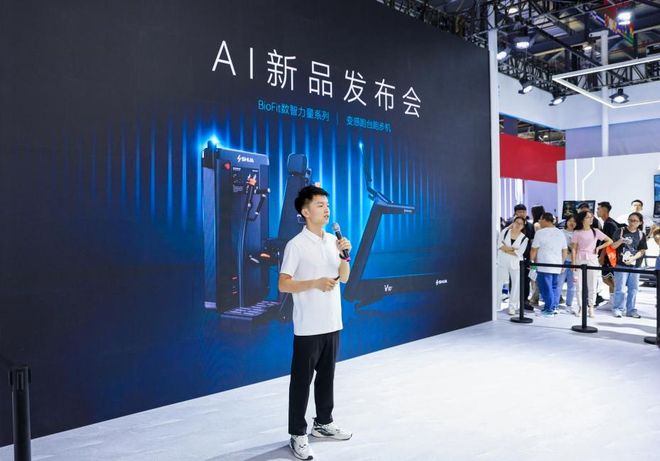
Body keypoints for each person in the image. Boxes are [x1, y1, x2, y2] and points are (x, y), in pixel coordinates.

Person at [279, 185, 353, 460]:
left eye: (327, 205)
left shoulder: (332, 241)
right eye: (320, 205)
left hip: (332, 321)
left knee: (327, 378)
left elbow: (344, 277)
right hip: (308, 326)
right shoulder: (296, 245)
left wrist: (344, 255)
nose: (326, 209)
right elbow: (283, 284)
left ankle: (323, 423)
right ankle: (297, 434)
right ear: (305, 211)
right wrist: (314, 283)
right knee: (301, 382)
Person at [571, 211, 613, 318]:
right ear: (582, 219)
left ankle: (591, 307)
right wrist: (573, 263)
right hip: (579, 259)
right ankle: (581, 307)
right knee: (579, 285)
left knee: (592, 285)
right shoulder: (577, 232)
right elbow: (574, 248)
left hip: (592, 259)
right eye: (588, 217)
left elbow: (609, 241)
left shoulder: (595, 231)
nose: (591, 219)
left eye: (591, 217)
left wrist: (599, 247)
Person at [610, 212, 647, 319]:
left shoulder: (641, 234)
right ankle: (618, 309)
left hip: (635, 265)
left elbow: (642, 250)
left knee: (633, 289)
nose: (632, 222)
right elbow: (612, 246)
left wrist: (633, 258)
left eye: (635, 221)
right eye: (630, 220)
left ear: (640, 222)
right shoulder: (620, 231)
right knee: (620, 289)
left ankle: (631, 310)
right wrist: (620, 241)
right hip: (621, 265)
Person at [530, 213, 568, 316]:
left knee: (546, 288)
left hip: (544, 265)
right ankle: (553, 307)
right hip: (557, 264)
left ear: (545, 220)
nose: (539, 221)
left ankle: (549, 309)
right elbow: (564, 250)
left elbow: (534, 249)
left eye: (540, 219)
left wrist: (531, 261)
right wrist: (562, 263)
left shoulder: (540, 233)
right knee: (554, 287)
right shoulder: (560, 233)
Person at [497, 216, 529, 315]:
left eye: (520, 223)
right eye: (516, 222)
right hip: (502, 261)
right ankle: (496, 305)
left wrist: (506, 249)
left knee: (515, 285)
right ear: (513, 223)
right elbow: (499, 245)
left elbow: (519, 253)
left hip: (515, 264)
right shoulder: (505, 232)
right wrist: (512, 249)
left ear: (523, 226)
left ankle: (512, 307)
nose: (518, 225)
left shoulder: (524, 238)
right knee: (498, 283)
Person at [509, 204, 536, 310]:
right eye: (520, 212)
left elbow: (532, 241)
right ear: (515, 213)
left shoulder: (530, 226)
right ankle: (513, 302)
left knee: (526, 280)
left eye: (524, 211)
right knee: (514, 279)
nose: (522, 214)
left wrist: (532, 257)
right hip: (513, 256)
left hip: (526, 257)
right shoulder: (510, 224)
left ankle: (524, 300)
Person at [596, 201, 620, 309]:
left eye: (598, 209)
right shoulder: (608, 222)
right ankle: (612, 301)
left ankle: (618, 299)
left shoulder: (609, 224)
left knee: (607, 279)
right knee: (609, 278)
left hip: (610, 257)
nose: (597, 211)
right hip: (610, 257)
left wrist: (602, 256)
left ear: (604, 210)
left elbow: (609, 242)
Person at [555, 214, 577, 313]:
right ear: (566, 222)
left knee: (571, 285)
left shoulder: (577, 233)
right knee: (559, 284)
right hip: (562, 261)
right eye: (570, 221)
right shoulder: (560, 232)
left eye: (574, 221)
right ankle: (555, 304)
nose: (572, 223)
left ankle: (569, 304)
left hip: (574, 262)